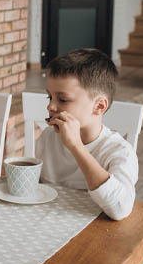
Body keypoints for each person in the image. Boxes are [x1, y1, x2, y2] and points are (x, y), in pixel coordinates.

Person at [36, 48, 137, 220]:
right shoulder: (48, 137)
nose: (50, 107)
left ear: (99, 107)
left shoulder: (119, 152)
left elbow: (121, 209)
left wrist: (76, 147)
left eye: (62, 99)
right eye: (49, 97)